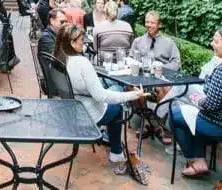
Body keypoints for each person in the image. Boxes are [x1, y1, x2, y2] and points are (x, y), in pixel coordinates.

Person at [54, 24, 150, 181]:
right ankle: (116, 153)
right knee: (118, 108)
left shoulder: (58, 57)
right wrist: (133, 95)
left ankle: (110, 142)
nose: (84, 43)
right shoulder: (81, 63)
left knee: (114, 90)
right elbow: (100, 96)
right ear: (72, 43)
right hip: (86, 113)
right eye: (81, 40)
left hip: (71, 109)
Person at [170, 27, 222, 178]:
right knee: (187, 114)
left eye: (216, 42)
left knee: (175, 114)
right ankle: (198, 158)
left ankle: (195, 160)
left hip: (218, 125)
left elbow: (211, 106)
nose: (212, 44)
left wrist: (198, 100)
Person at [36, 8, 67, 94]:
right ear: (52, 21)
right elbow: (59, 61)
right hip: (58, 83)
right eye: (62, 22)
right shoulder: (46, 38)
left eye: (66, 22)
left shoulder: (58, 35)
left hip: (61, 77)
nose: (65, 25)